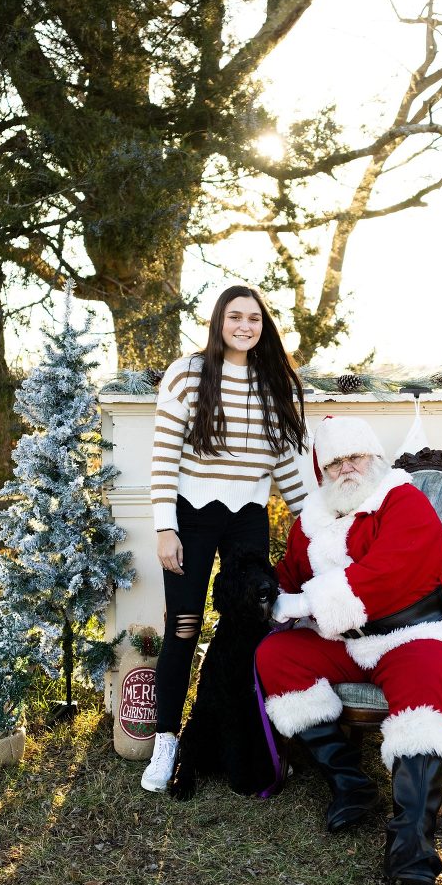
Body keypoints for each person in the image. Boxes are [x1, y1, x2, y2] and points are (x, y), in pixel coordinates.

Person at [256, 415, 442, 885]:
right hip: (345, 643)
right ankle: (349, 783)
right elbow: (289, 576)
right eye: (334, 462)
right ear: (322, 472)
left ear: (373, 457)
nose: (346, 469)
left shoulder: (403, 500)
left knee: (423, 699)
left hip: (411, 635)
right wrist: (265, 589)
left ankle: (412, 841)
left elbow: (393, 571)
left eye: (354, 457)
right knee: (277, 657)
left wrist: (312, 601)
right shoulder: (311, 520)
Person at [141, 285, 309, 792]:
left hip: (249, 519)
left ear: (264, 326)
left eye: (253, 319)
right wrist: (165, 527)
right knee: (184, 629)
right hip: (192, 516)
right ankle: (167, 741)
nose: (244, 326)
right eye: (234, 317)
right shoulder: (188, 373)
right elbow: (164, 455)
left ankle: (256, 738)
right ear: (218, 322)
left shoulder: (273, 379)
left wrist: (315, 526)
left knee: (250, 631)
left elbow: (287, 465)